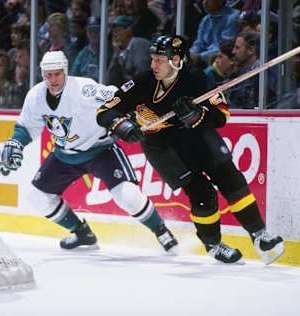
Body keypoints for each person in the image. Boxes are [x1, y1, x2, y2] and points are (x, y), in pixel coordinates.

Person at [96, 35, 285, 264]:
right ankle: (213, 245)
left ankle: (259, 235)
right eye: (153, 60)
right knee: (202, 194)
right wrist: (122, 125)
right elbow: (105, 111)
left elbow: (221, 115)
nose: (153, 66)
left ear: (176, 59)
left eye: (160, 61)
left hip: (198, 136)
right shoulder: (141, 83)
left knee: (230, 178)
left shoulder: (197, 80)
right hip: (163, 148)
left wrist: (199, 115)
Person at [1, 51, 179, 252]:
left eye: (57, 74)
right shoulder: (35, 96)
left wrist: (127, 120)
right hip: (65, 154)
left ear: (65, 72)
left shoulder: (85, 89)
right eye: (48, 75)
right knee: (37, 197)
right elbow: (25, 127)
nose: (53, 80)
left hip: (100, 149)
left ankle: (161, 231)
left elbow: (119, 98)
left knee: (127, 195)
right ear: (43, 74)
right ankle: (81, 233)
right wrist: (15, 143)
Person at [107, 15, 152, 87]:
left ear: (129, 29)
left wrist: (125, 88)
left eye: (118, 30)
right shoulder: (120, 50)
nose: (115, 34)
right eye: (114, 31)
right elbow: (111, 80)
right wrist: (115, 56)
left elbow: (143, 75)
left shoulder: (140, 44)